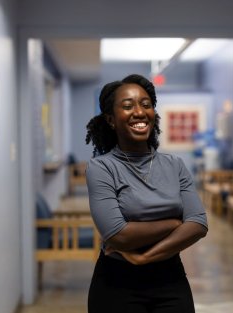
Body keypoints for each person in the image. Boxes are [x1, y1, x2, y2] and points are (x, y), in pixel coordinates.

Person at [85, 73, 208, 313]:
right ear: (111, 120)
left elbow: (199, 224)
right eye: (128, 106)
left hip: (170, 279)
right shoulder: (101, 168)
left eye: (146, 104)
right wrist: (175, 223)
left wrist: (144, 258)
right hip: (117, 282)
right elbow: (117, 235)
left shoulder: (175, 165)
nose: (139, 112)